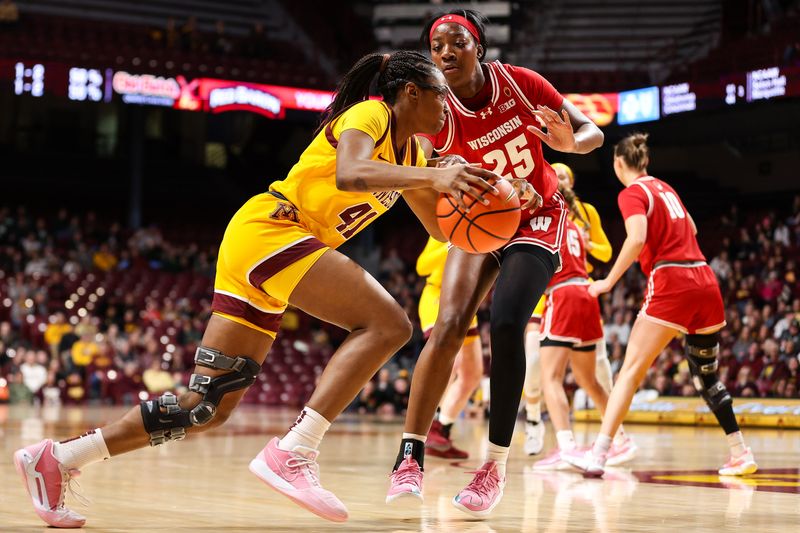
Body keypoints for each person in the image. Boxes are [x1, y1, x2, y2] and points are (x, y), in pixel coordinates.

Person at [13, 50, 502, 528]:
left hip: (269, 254)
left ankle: (57, 459)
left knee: (206, 407)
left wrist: (490, 210)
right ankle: (297, 448)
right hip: (272, 231)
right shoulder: (369, 114)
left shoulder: (414, 154)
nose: (448, 107)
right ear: (410, 93)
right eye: (441, 96)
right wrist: (437, 173)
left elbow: (445, 231)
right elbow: (351, 172)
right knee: (388, 324)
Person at [386, 9, 604, 516]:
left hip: (535, 216)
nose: (444, 52)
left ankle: (495, 465)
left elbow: (591, 132)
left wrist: (570, 144)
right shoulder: (437, 112)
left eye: (455, 42)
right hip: (477, 219)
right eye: (435, 45)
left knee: (506, 321)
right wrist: (441, 168)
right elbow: (422, 167)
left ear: (478, 47)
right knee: (448, 325)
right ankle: (410, 453)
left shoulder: (522, 83)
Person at [563, 133, 758, 477]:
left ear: (618, 163)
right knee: (706, 378)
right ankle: (740, 452)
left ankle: (599, 455)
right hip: (704, 279)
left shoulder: (632, 193)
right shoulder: (667, 189)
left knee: (630, 372)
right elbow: (693, 229)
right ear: (646, 162)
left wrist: (608, 282)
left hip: (672, 281)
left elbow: (636, 238)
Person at [530, 189, 632, 471]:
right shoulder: (573, 225)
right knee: (589, 381)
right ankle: (620, 437)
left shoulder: (542, 222)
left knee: (550, 378)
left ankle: (566, 447)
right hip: (587, 295)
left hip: (563, 295)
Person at [522, 163, 616, 456]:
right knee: (535, 363)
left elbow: (607, 252)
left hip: (575, 287)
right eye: (555, 174)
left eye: (564, 175)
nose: (559, 178)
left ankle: (614, 432)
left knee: (598, 366)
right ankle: (535, 422)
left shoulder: (585, 213)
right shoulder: (538, 206)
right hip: (545, 293)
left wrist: (589, 246)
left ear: (571, 182)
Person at [416, 236, 483, 459]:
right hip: (438, 293)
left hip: (466, 300)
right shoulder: (448, 224)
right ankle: (428, 424)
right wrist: (452, 243)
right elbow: (422, 266)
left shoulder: (494, 224)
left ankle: (442, 430)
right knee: (448, 363)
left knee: (472, 374)